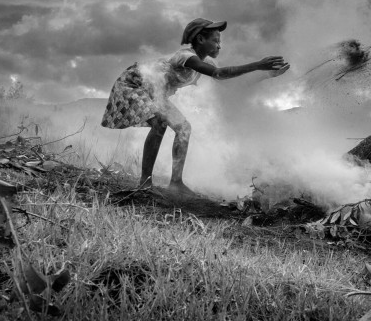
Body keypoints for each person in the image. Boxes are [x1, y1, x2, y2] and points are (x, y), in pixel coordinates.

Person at [101, 18, 289, 195]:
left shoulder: (206, 62)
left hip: (154, 92)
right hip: (135, 83)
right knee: (160, 123)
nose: (219, 45)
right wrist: (257, 65)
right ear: (200, 38)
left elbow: (230, 82)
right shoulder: (186, 56)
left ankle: (175, 183)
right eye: (215, 40)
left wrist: (267, 76)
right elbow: (219, 73)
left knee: (183, 128)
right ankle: (145, 182)